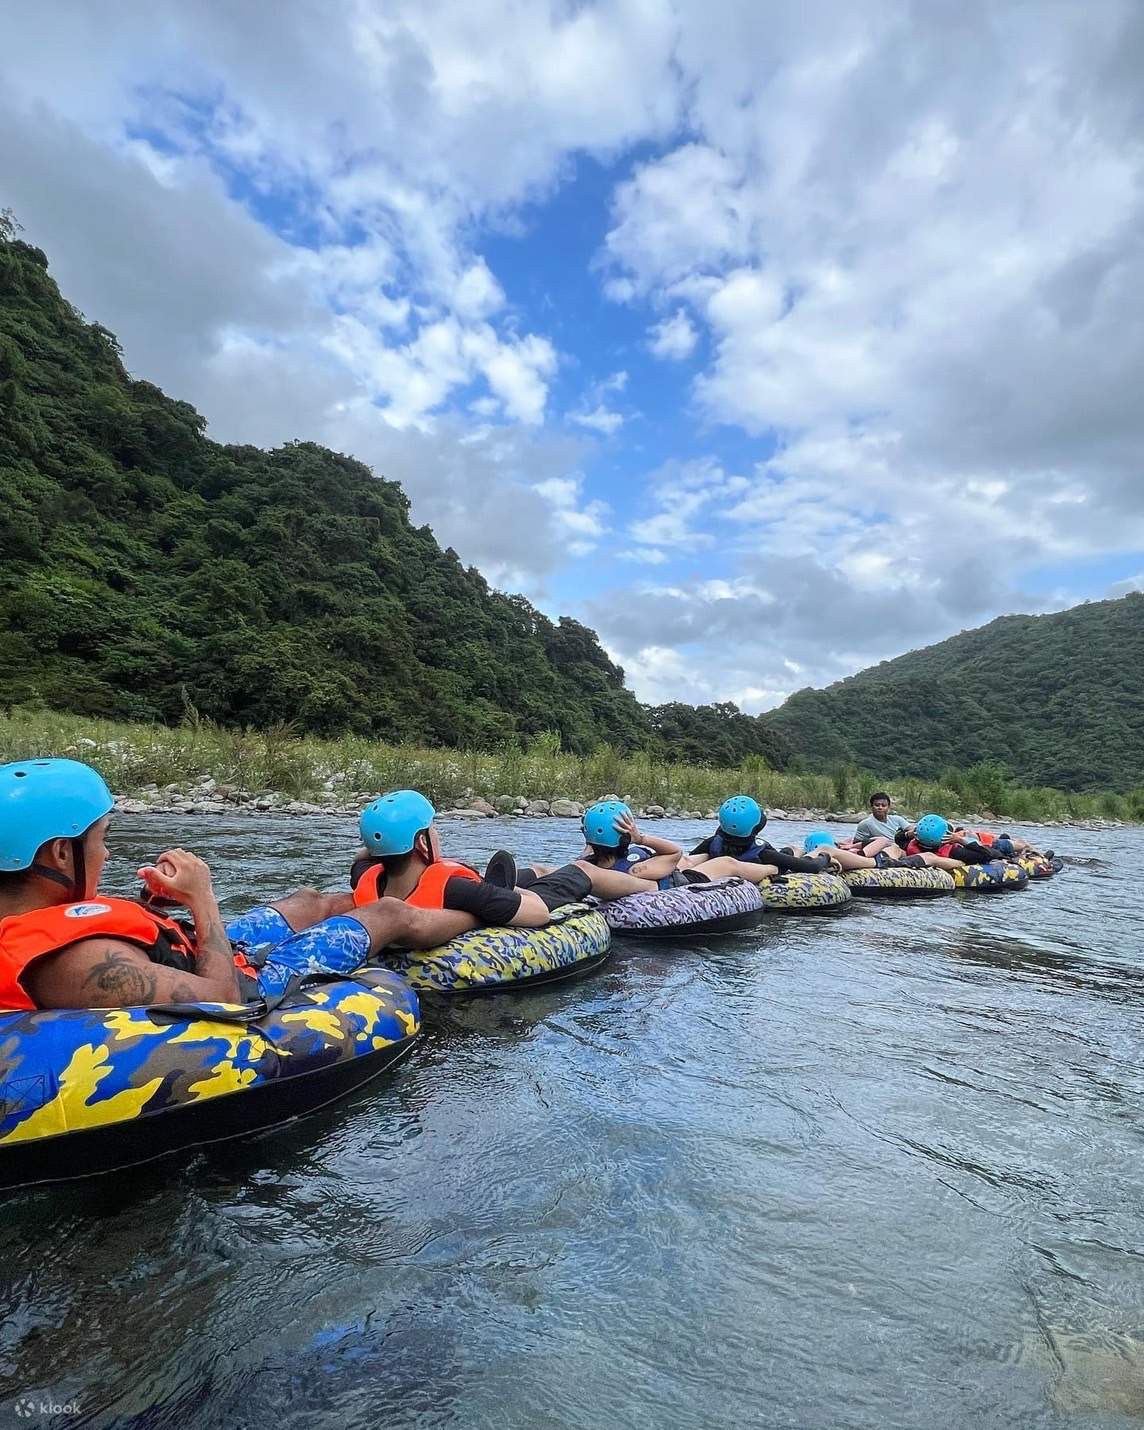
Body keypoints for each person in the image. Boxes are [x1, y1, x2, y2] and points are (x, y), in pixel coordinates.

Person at [0, 759, 475, 1012]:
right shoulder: (78, 965)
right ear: (60, 854)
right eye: (101, 840)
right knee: (388, 914)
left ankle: (441, 892)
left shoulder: (31, 914)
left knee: (311, 902)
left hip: (203, 953)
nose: (106, 855)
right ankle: (477, 910)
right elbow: (224, 1000)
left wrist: (155, 911)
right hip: (249, 984)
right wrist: (203, 899)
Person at [348, 790, 653, 926]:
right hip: (511, 899)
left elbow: (367, 854)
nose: (437, 833)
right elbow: (538, 914)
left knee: (537, 869)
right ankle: (650, 887)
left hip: (442, 877)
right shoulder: (460, 890)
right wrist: (504, 893)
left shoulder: (366, 876)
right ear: (421, 842)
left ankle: (529, 876)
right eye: (433, 828)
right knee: (583, 870)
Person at [578, 801, 779, 887]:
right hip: (683, 881)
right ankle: (772, 867)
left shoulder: (592, 863)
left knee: (692, 858)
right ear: (625, 838)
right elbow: (674, 852)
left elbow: (584, 858)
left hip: (667, 869)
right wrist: (640, 839)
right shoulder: (638, 869)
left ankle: (721, 854)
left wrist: (590, 844)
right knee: (727, 863)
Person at [686, 796, 841, 877]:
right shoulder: (762, 853)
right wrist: (825, 857)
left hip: (770, 858)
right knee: (787, 855)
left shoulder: (712, 843)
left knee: (786, 853)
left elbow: (689, 860)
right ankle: (797, 850)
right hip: (773, 861)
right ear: (756, 827)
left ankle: (794, 850)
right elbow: (811, 867)